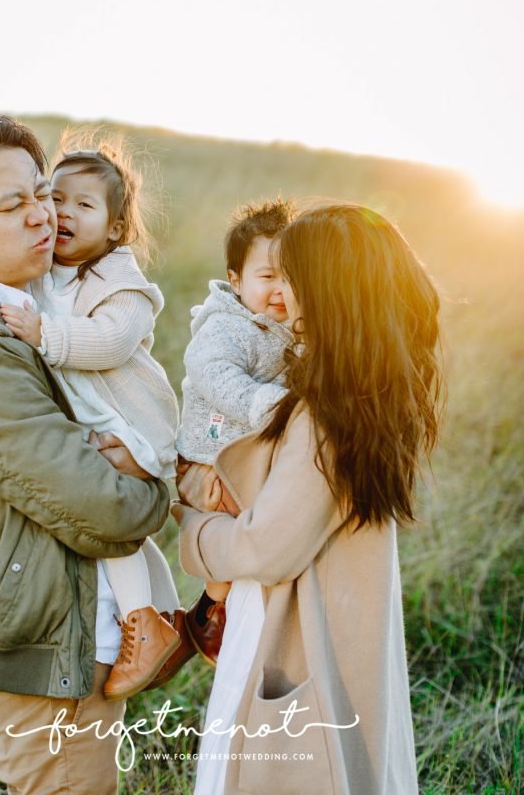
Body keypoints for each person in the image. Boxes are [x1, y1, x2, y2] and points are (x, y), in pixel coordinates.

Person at [0, 116, 171, 795]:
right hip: (45, 641)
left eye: (43, 193)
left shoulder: (26, 305)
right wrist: (160, 478)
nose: (41, 216)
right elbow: (105, 508)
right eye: (11, 204)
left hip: (70, 619)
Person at [174, 202, 443, 795]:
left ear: (324, 293)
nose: (282, 294)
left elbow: (264, 547)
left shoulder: (325, 414)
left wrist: (187, 523)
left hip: (295, 636)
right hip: (346, 635)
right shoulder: (368, 390)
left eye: (292, 277)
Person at [0, 131, 188, 700]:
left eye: (83, 205)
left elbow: (108, 343)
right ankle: (165, 615)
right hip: (95, 423)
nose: (63, 213)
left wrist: (45, 334)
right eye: (55, 198)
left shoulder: (123, 285)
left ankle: (143, 625)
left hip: (132, 423)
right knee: (122, 526)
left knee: (107, 525)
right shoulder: (47, 272)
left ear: (114, 229)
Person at [176, 198, 295, 665]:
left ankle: (225, 609)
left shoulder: (288, 329)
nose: (280, 290)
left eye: (291, 277)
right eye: (267, 277)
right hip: (209, 461)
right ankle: (209, 611)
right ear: (236, 280)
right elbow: (214, 376)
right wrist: (270, 406)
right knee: (230, 537)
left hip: (241, 459)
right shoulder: (226, 327)